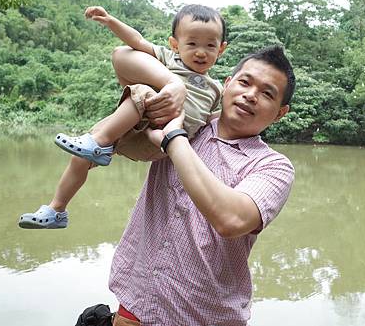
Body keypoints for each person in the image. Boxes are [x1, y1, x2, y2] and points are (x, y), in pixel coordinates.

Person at [109, 46, 296, 326]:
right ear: (227, 85)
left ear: (280, 113)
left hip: (203, 317)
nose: (250, 95)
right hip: (136, 305)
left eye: (267, 93)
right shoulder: (188, 118)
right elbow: (122, 57)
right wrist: (172, 84)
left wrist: (174, 139)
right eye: (244, 82)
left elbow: (231, 219)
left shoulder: (273, 166)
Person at [18, 4, 227, 229]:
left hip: (163, 140)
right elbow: (135, 43)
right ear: (175, 44)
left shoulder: (215, 88)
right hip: (135, 122)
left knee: (142, 92)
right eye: (192, 43)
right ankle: (56, 209)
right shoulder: (168, 59)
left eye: (210, 45)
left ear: (221, 49)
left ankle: (99, 143)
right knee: (80, 156)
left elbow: (209, 119)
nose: (200, 52)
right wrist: (110, 21)